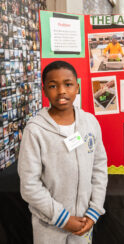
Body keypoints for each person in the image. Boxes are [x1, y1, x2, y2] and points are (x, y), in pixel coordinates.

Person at [18, 61, 108, 244]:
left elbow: (99, 168)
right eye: (53, 86)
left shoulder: (90, 122)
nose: (61, 91)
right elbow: (29, 185)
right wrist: (64, 219)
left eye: (68, 84)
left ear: (77, 87)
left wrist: (94, 211)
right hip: (49, 226)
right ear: (44, 90)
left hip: (84, 222)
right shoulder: (35, 130)